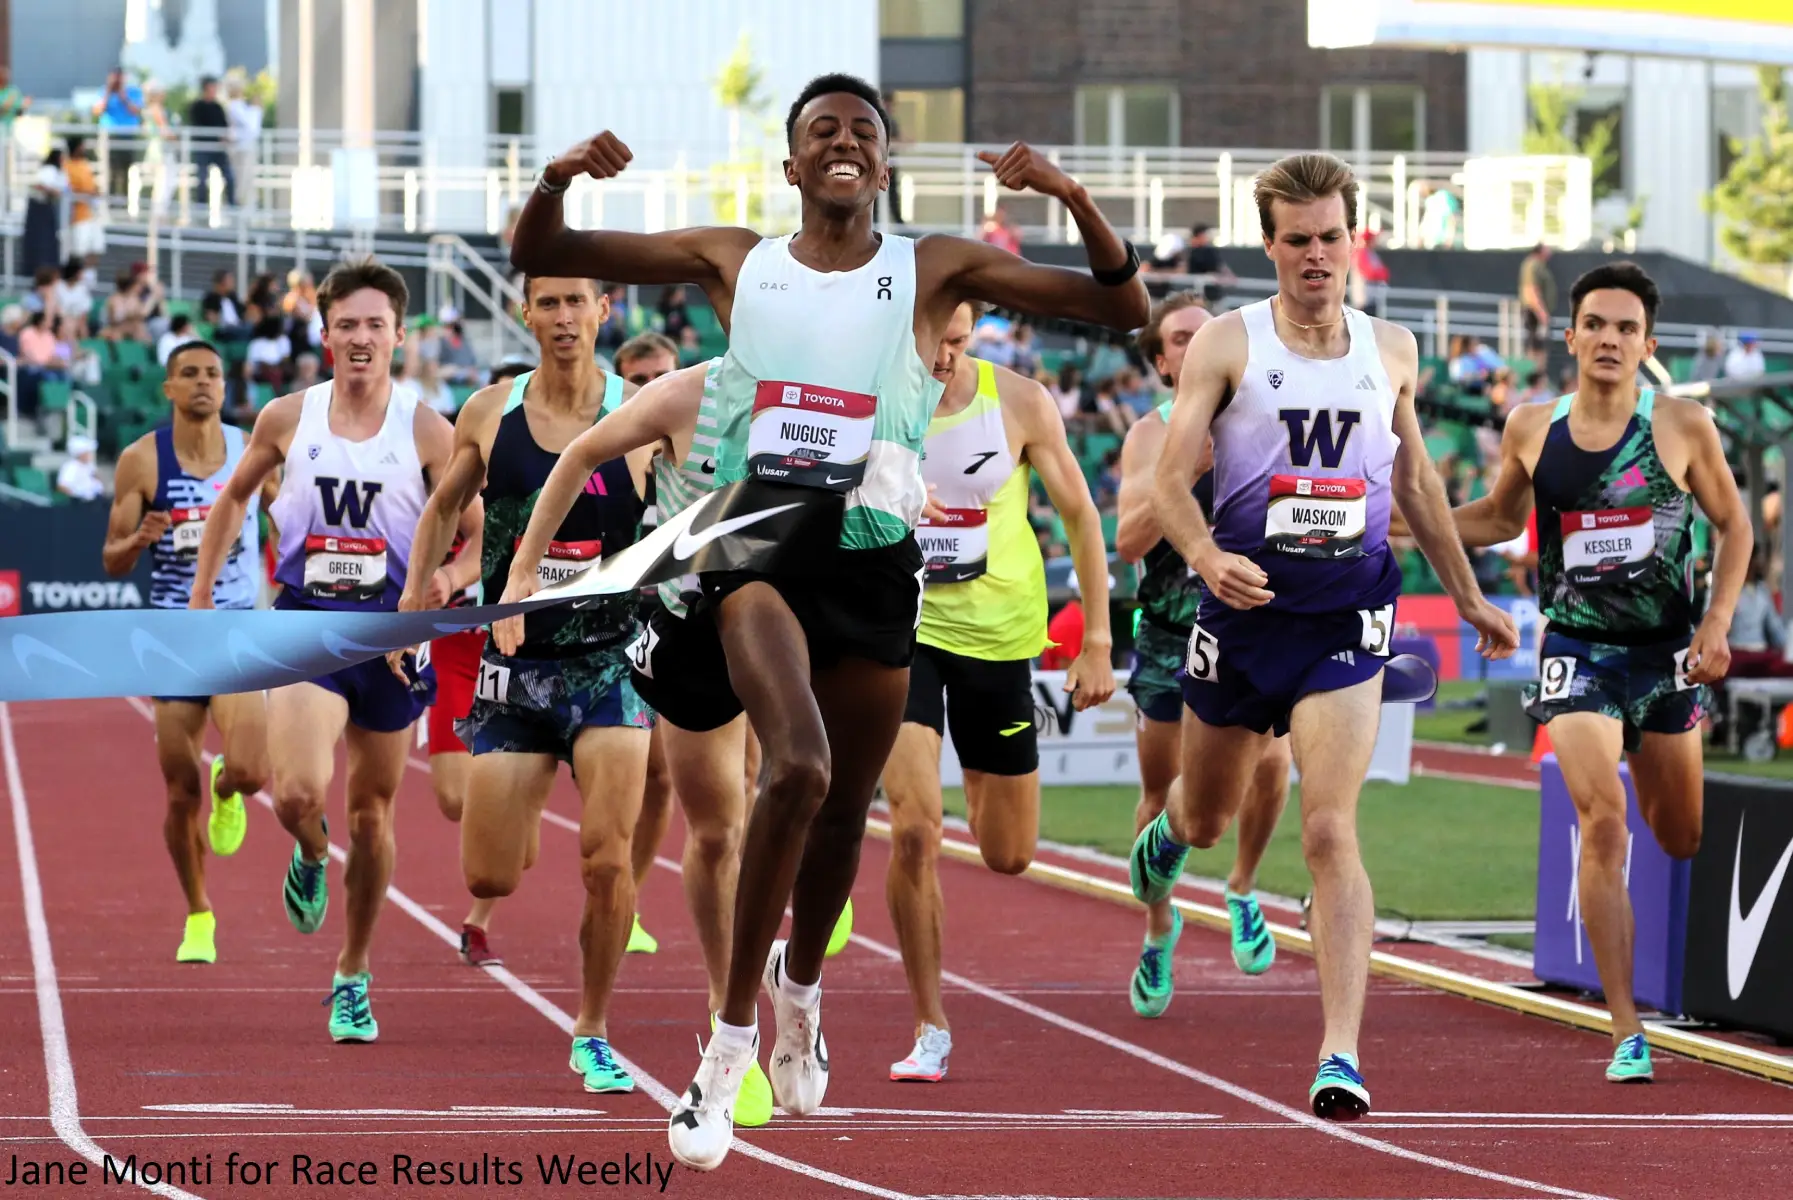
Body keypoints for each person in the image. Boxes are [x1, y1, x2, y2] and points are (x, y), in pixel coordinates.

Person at [507, 72, 1149, 1170]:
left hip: (872, 558)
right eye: (821, 132)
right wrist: (560, 176)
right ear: (792, 167)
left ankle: (800, 986)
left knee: (846, 806)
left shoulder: (927, 266)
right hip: (755, 543)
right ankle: (726, 1043)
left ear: (885, 165)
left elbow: (1121, 309)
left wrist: (1070, 194)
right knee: (793, 769)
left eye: (864, 130)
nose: (844, 142)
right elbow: (542, 248)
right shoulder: (734, 258)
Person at [1129, 153, 1517, 1122]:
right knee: (1205, 816)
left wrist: (1466, 598)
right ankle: (1167, 840)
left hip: (1346, 615)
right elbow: (1171, 485)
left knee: (1327, 827)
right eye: (1295, 239)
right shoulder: (1226, 344)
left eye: (1330, 236)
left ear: (1354, 241)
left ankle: (1337, 1054)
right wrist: (1206, 560)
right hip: (1241, 614)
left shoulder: (1390, 350)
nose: (1314, 255)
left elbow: (1417, 486)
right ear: (1268, 244)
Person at [1430, 261, 1749, 1083]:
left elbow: (1735, 527)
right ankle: (1624, 1028)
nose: (1608, 339)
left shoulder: (1680, 426)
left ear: (1646, 344)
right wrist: (1404, 520)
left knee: (1677, 835)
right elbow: (1501, 517)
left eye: (1625, 328)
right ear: (1568, 336)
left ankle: (1636, 990)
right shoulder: (1533, 426)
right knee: (1601, 821)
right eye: (1595, 326)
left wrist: (1715, 622)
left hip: (1666, 655)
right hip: (1575, 653)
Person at [497, 359, 783, 1125]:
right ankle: (735, 1026)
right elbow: (578, 455)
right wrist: (522, 570)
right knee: (719, 830)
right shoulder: (686, 392)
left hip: (795, 616)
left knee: (804, 784)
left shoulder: (844, 384)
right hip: (694, 624)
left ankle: (807, 936)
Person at [398, 275, 663, 1096]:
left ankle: (592, 1028)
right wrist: (414, 599)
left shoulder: (644, 415)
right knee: (489, 875)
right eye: (545, 303)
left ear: (602, 312)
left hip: (609, 664)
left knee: (606, 861)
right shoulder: (488, 412)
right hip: (513, 671)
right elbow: (444, 508)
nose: (561, 317)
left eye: (575, 302)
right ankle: (523, 806)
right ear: (525, 315)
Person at [190, 257, 450, 1044]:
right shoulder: (285, 418)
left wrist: (445, 581)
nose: (361, 338)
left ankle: (353, 974)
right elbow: (233, 498)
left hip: (392, 637)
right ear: (325, 332)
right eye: (347, 325)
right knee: (298, 792)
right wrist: (204, 598)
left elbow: (477, 537)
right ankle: (308, 851)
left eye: (376, 325)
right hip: (305, 623)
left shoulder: (428, 430)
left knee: (373, 820)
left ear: (399, 335)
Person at [881, 300, 1115, 1082]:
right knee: (915, 829)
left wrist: (1098, 644)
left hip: (1000, 640)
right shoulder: (870, 403)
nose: (944, 356)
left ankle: (984, 790)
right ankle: (928, 1023)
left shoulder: (1016, 401)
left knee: (1007, 853)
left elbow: (1081, 516)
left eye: (957, 340)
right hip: (902, 633)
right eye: (932, 342)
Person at [1113, 292, 1289, 1019]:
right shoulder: (1148, 437)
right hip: (1167, 631)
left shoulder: (1263, 419)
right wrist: (1186, 470)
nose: (1196, 346)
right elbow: (1125, 541)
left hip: (1248, 624)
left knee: (1273, 765)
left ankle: (1243, 888)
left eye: (1206, 335)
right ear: (1161, 360)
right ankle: (1158, 928)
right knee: (1163, 797)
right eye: (1181, 338)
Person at [102, 339, 272, 963]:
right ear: (168, 389)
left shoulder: (254, 452)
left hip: (232, 631)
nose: (203, 383)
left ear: (225, 388)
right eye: (189, 374)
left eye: (213, 374)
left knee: (253, 771)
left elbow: (296, 519)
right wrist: (138, 539)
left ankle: (229, 789)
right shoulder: (141, 462)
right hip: (174, 639)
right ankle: (199, 914)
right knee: (179, 792)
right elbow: (112, 559)